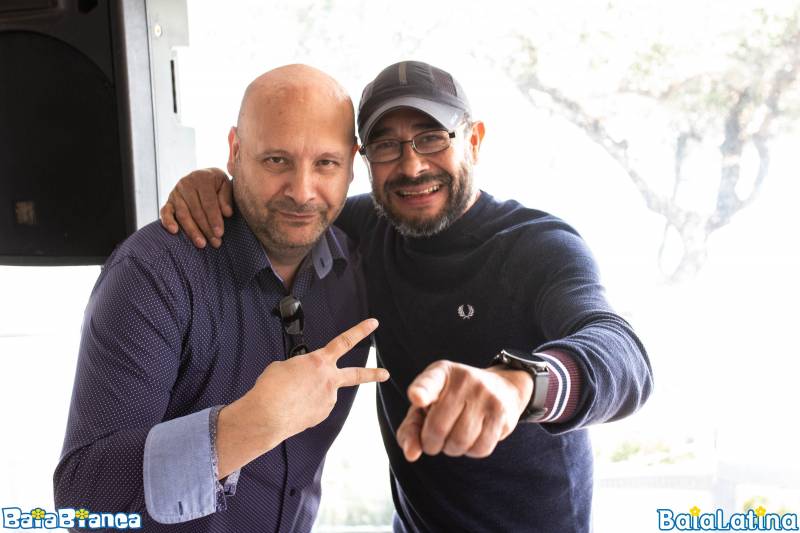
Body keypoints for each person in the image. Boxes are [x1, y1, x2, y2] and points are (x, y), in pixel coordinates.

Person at [161, 60, 654, 532]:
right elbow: (288, 203)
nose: (412, 166)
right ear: (362, 161)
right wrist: (215, 185)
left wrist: (519, 384)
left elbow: (622, 353)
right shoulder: (363, 230)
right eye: (386, 146)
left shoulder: (536, 245)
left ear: (474, 140)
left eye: (432, 137)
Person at [53, 64, 390, 532]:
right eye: (276, 160)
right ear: (235, 152)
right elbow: (84, 504)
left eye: (326, 164)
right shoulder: (153, 273)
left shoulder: (361, 262)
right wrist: (246, 426)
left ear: (353, 164)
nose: (301, 191)